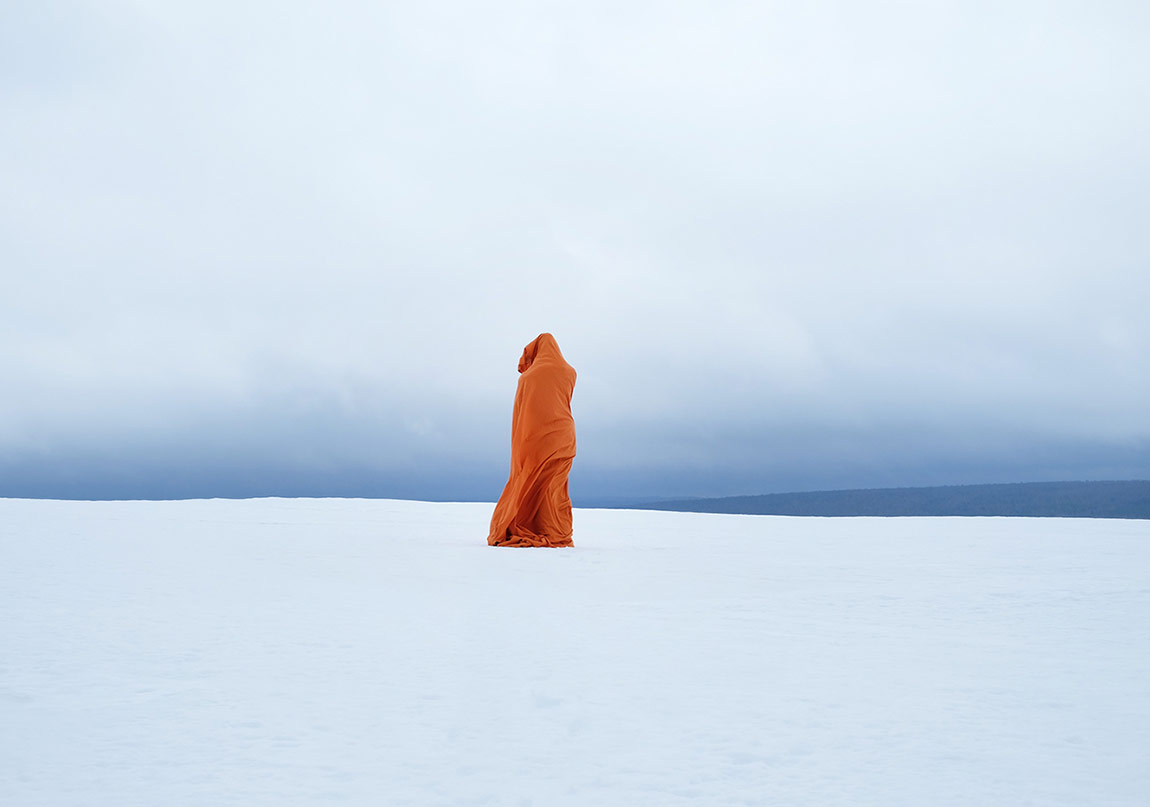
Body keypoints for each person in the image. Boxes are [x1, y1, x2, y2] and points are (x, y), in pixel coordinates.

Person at [488, 333, 577, 547]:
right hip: (564, 436)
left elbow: (522, 411)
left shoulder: (528, 377)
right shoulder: (570, 372)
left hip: (535, 437)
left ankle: (527, 525)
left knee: (528, 479)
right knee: (554, 487)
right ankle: (554, 530)